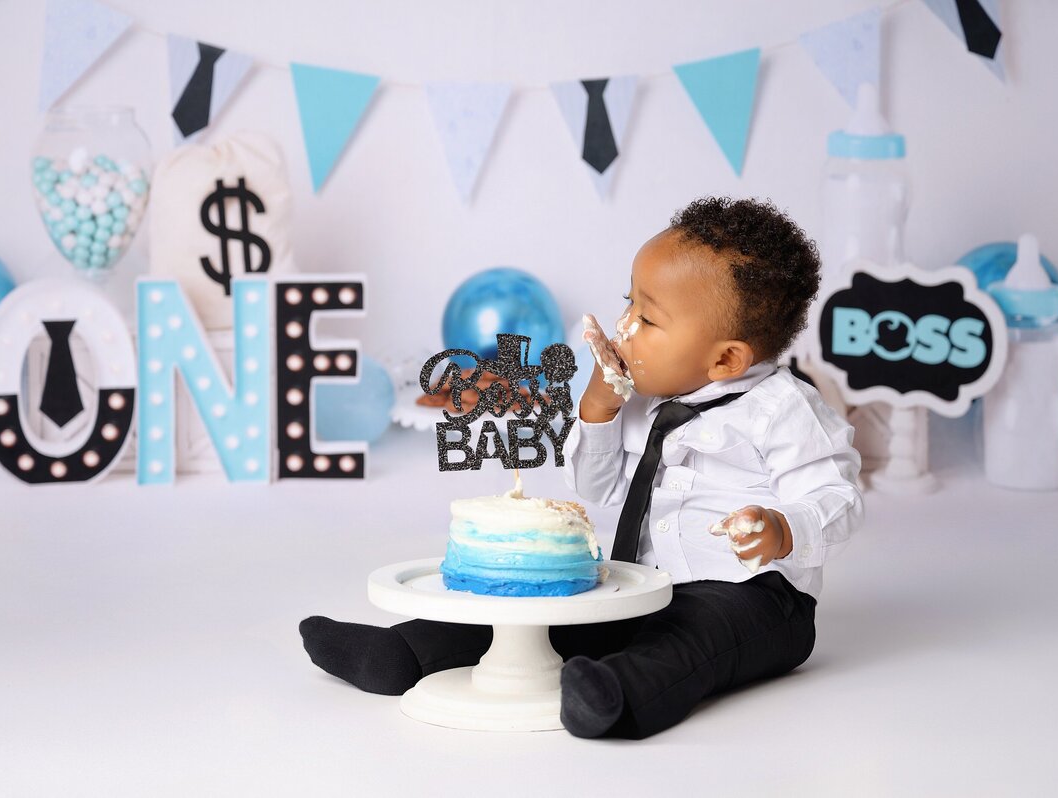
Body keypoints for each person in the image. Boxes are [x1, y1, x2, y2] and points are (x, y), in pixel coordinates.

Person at [299, 196, 864, 739]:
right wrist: (598, 412)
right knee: (553, 613)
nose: (624, 328)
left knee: (692, 639)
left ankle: (618, 694)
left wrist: (785, 528)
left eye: (649, 319)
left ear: (725, 358)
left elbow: (837, 498)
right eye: (629, 303)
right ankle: (407, 651)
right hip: (647, 582)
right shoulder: (644, 396)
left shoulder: (783, 410)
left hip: (751, 596)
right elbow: (600, 488)